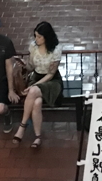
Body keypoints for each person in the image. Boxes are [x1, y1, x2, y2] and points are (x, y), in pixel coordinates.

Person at [12, 21, 63, 149]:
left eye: (39, 37)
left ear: (47, 37)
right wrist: (24, 64)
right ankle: (38, 137)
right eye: (35, 36)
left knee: (33, 91)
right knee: (36, 102)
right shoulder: (33, 47)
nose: (36, 39)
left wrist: (34, 86)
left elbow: (51, 74)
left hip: (51, 81)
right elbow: (31, 67)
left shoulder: (56, 50)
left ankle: (22, 126)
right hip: (36, 77)